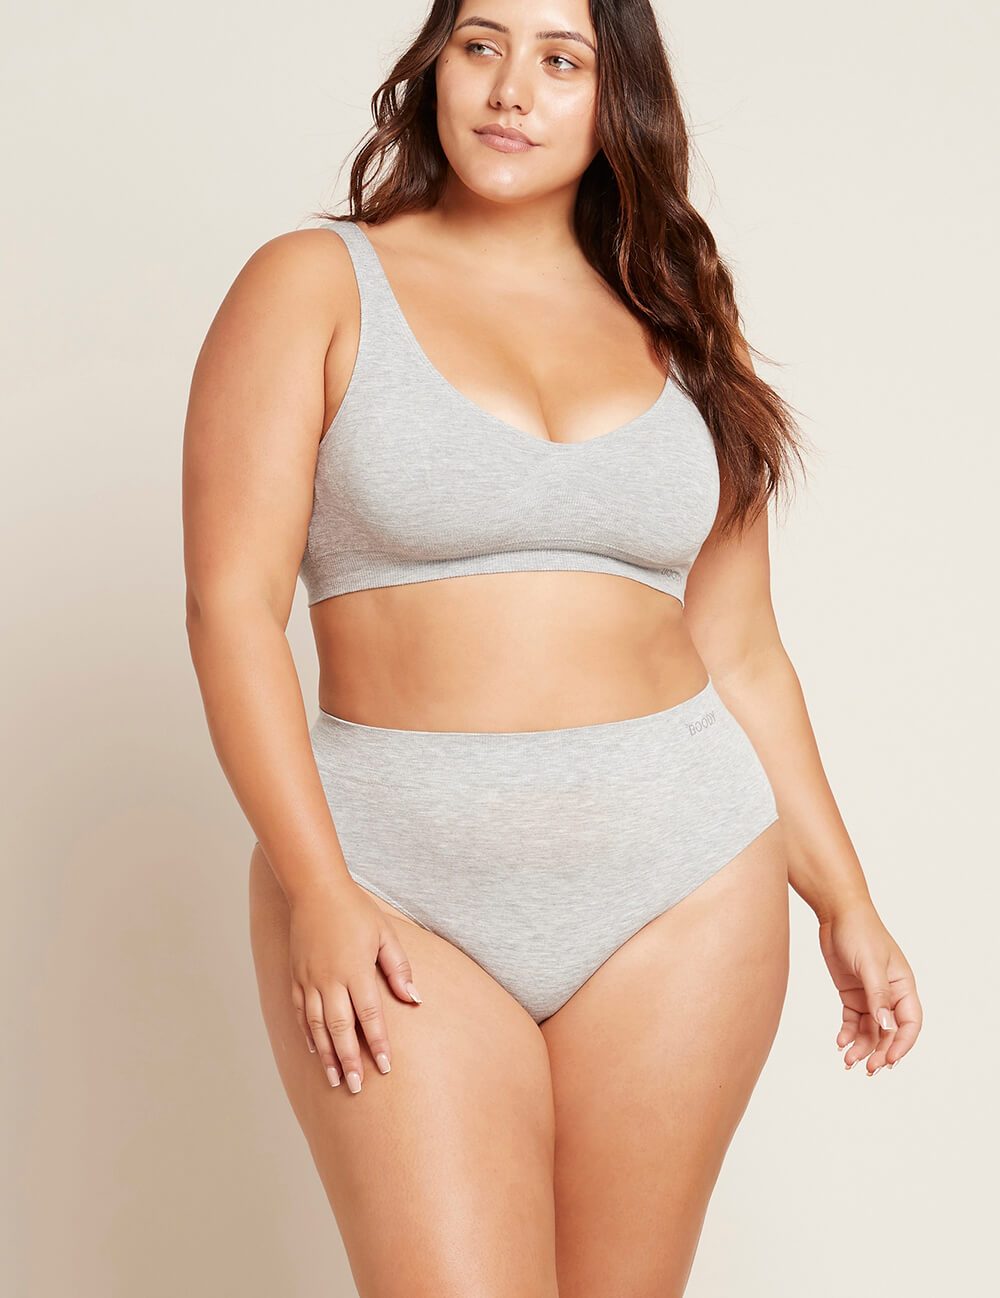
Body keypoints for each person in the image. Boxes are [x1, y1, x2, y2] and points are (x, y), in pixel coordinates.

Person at [182, 3, 923, 1294]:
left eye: (560, 60)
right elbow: (230, 609)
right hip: (393, 888)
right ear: (436, 66)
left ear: (614, 96)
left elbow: (742, 649)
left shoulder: (681, 317)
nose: (511, 88)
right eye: (481, 44)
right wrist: (319, 891)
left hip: (680, 886)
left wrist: (846, 898)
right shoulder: (314, 283)